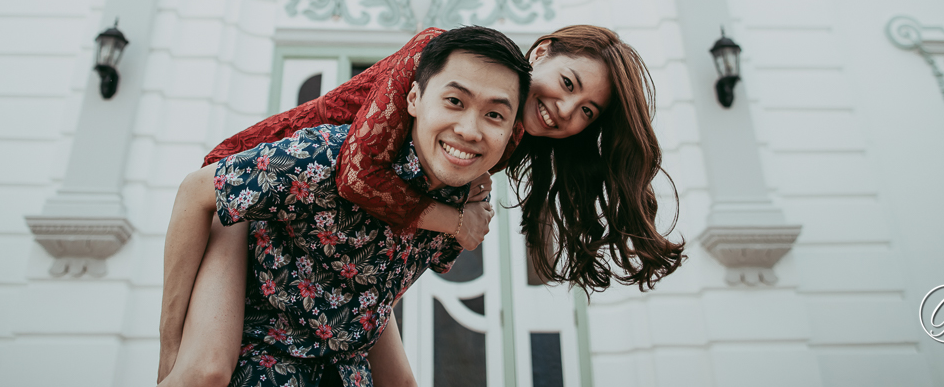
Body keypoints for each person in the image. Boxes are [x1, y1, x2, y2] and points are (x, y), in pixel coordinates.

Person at [158, 25, 684, 386]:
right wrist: (457, 221)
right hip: (255, 184)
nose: (564, 108)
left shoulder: (510, 137)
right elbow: (358, 175)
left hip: (338, 245)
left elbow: (395, 236)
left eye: (586, 111)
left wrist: (469, 205)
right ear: (541, 52)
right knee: (203, 369)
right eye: (568, 84)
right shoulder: (440, 53)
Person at [163, 26, 531, 387]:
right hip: (260, 356)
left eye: (494, 115)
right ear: (414, 98)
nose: (469, 129)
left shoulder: (461, 208)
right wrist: (171, 345)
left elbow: (374, 297)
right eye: (454, 101)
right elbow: (197, 190)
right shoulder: (326, 158)